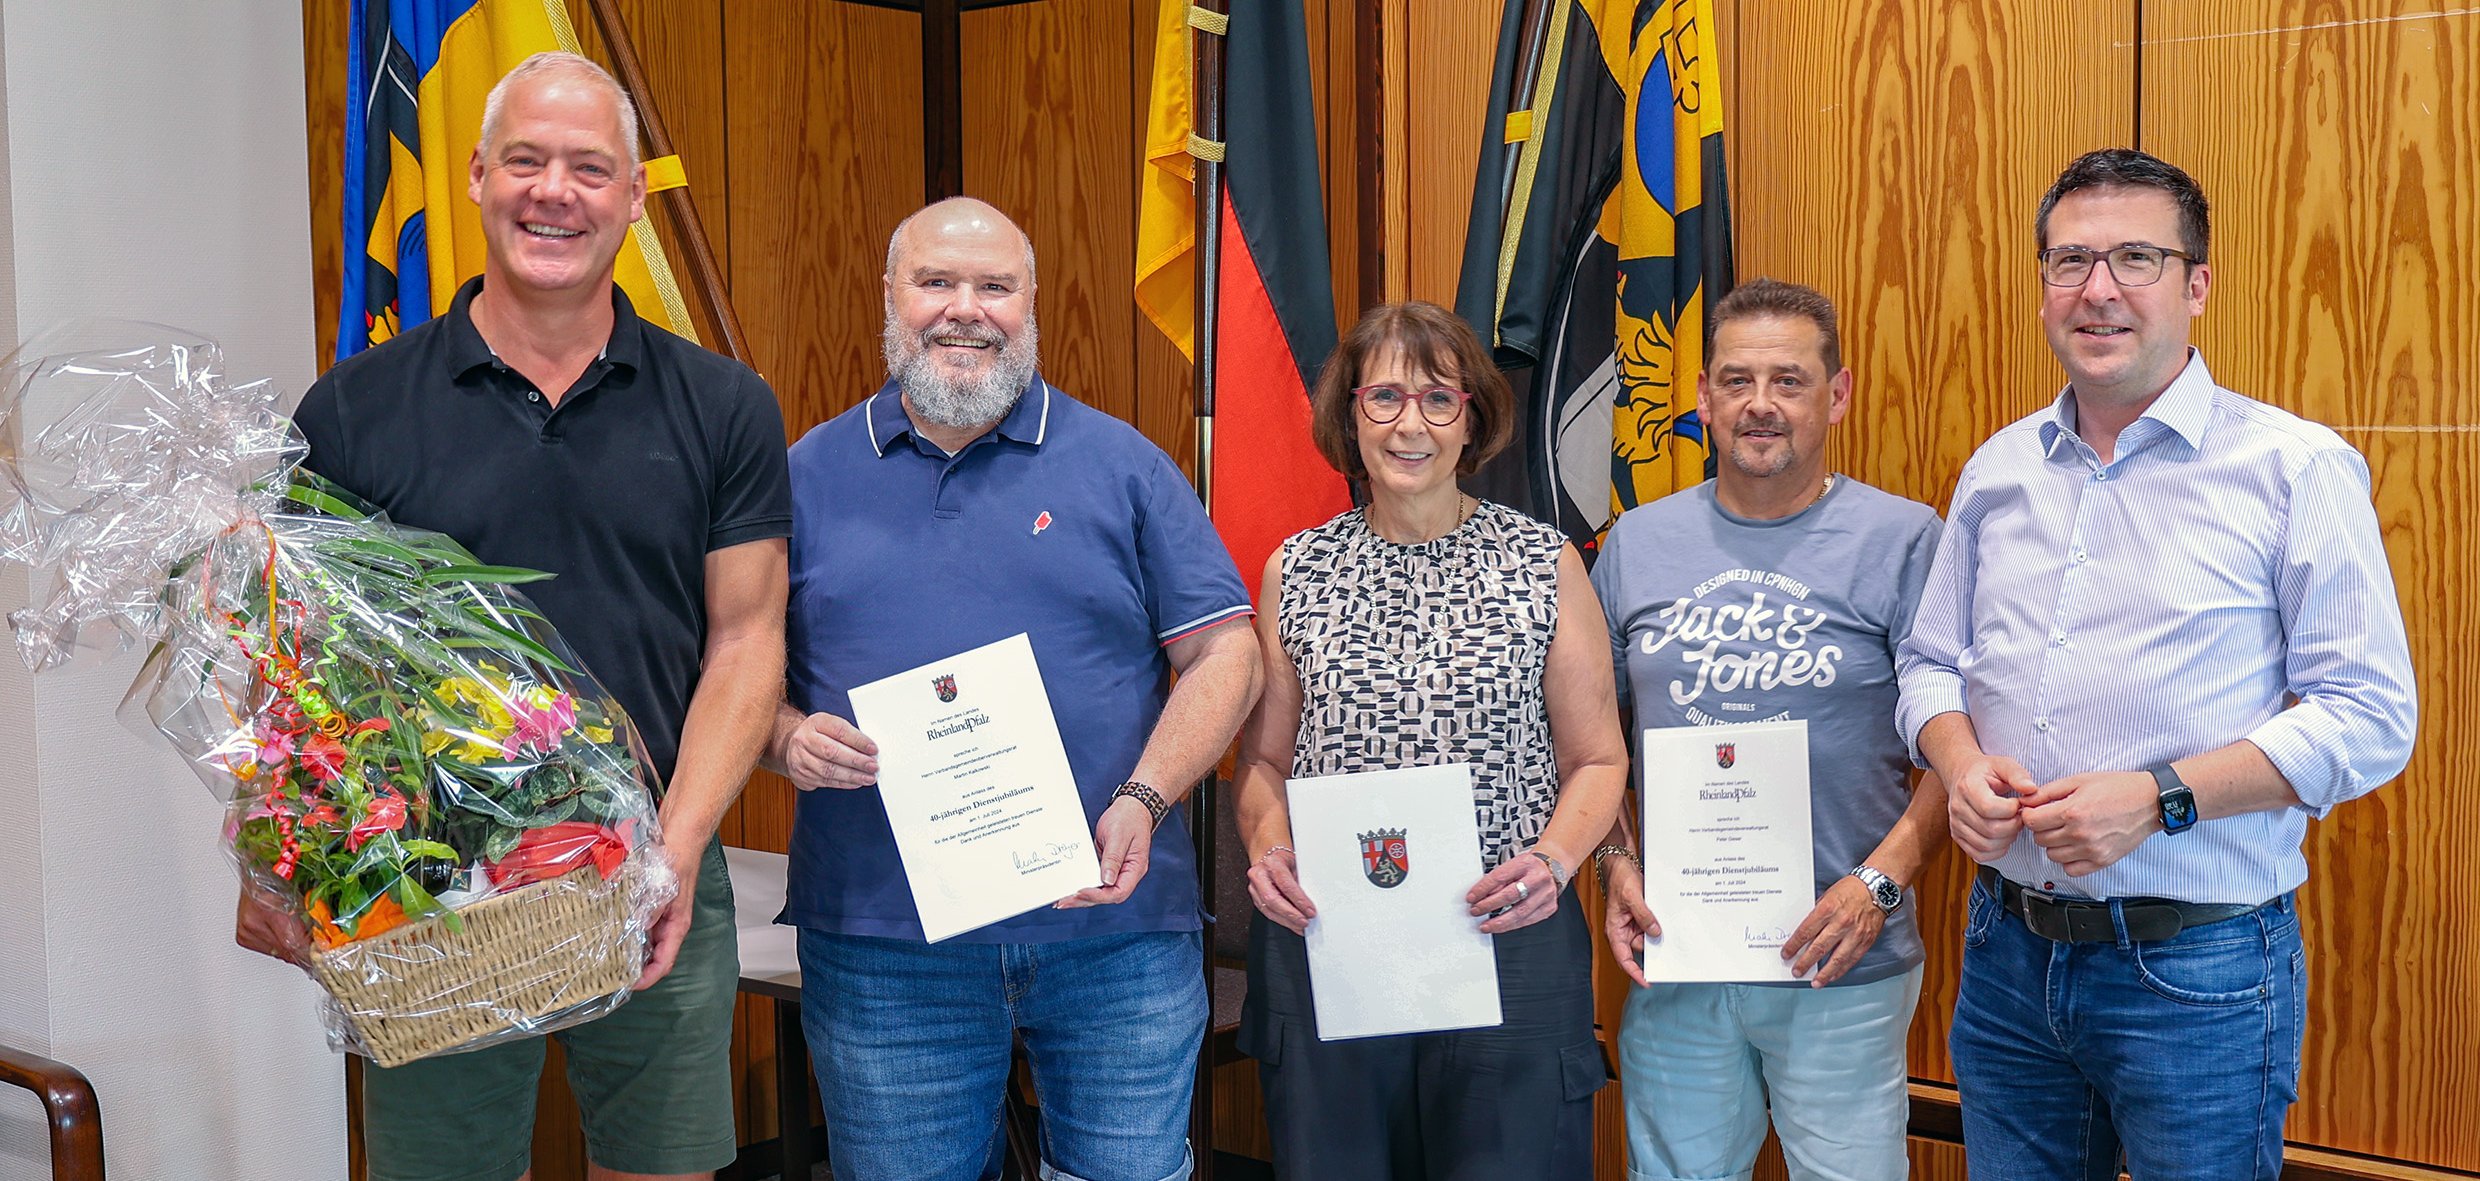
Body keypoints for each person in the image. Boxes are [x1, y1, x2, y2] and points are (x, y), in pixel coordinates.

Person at [275, 51, 792, 1181]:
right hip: (426, 883)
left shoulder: (723, 404)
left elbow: (747, 639)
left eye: (588, 168)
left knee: (663, 1169)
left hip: (657, 857)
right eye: (525, 160)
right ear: (473, 175)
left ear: (632, 195)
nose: (554, 190)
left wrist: (677, 849)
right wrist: (276, 864)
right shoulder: (353, 407)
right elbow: (299, 665)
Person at [1896, 148, 2418, 1180]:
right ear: (2041, 284)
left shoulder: (2290, 468)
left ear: (2195, 285)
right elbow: (1926, 665)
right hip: (2004, 956)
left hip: (2197, 970)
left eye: (2135, 257)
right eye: (2068, 261)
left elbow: (2367, 717)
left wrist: (2157, 796)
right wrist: (1957, 766)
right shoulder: (1998, 469)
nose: (2097, 290)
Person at [764, 196, 1260, 1181]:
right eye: (936, 282)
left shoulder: (1122, 464)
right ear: (890, 299)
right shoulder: (803, 473)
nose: (964, 309)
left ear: (1030, 305)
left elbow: (1225, 652)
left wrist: (1146, 793)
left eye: (993, 286)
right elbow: (737, 670)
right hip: (884, 939)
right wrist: (784, 739)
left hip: (1110, 933)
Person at [1232, 300, 1627, 1179]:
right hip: (1333, 934)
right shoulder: (1294, 569)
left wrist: (1556, 863)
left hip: (1507, 932)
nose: (1411, 423)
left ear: (1471, 419)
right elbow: (1260, 761)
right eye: (1384, 398)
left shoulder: (1544, 560)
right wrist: (1267, 849)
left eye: (1438, 399)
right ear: (1349, 417)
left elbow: (1599, 759)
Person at [1590, 278, 1946, 1181]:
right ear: (1703, 397)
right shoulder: (1634, 544)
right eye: (1737, 380)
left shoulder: (1906, 540)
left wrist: (1880, 882)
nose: (1760, 404)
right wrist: (1616, 863)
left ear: (1839, 393)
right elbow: (1591, 742)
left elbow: (1963, 747)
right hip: (1681, 953)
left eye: (1789, 380)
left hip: (1842, 953)